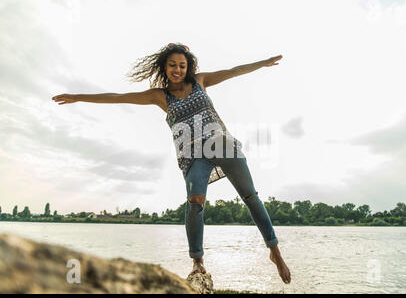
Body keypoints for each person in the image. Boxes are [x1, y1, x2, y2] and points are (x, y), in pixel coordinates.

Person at [52, 43, 291, 284]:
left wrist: (261, 63)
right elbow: (118, 97)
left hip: (221, 145)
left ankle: (274, 250)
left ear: (189, 67)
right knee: (195, 200)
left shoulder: (201, 81)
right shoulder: (160, 96)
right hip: (193, 156)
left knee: (250, 196)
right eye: (173, 65)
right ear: (165, 67)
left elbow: (234, 70)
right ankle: (198, 261)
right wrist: (77, 97)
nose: (177, 69)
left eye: (182, 65)